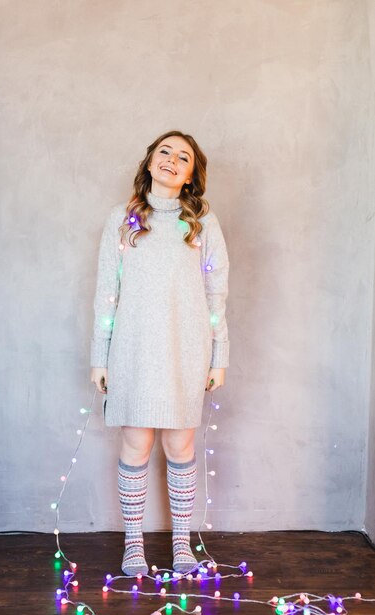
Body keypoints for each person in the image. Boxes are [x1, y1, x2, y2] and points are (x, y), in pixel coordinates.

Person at [90, 130, 230, 576]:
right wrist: (101, 355)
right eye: (164, 152)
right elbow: (105, 293)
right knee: (136, 442)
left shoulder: (203, 222)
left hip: (187, 346)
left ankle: (183, 545)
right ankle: (134, 546)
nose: (171, 160)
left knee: (180, 442)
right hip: (132, 346)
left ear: (191, 174)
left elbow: (216, 292)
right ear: (150, 162)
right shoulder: (123, 219)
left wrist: (219, 355)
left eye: (183, 157)